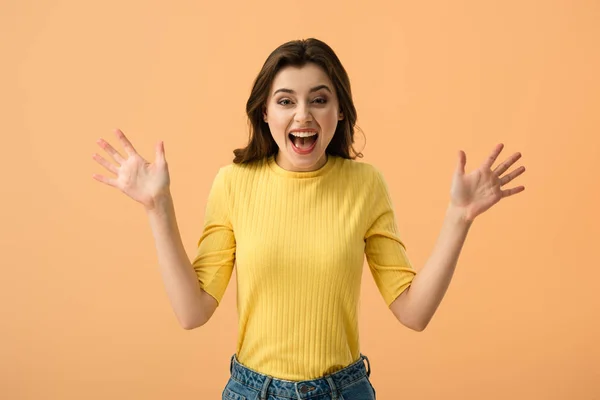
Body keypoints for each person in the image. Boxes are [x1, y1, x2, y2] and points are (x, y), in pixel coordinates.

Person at [92, 38, 526, 400]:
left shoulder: (365, 185)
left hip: (345, 391)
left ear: (339, 112)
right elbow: (192, 311)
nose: (303, 115)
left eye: (319, 100)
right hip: (252, 392)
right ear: (266, 112)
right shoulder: (233, 183)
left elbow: (414, 313)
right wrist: (158, 207)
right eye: (286, 101)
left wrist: (458, 216)